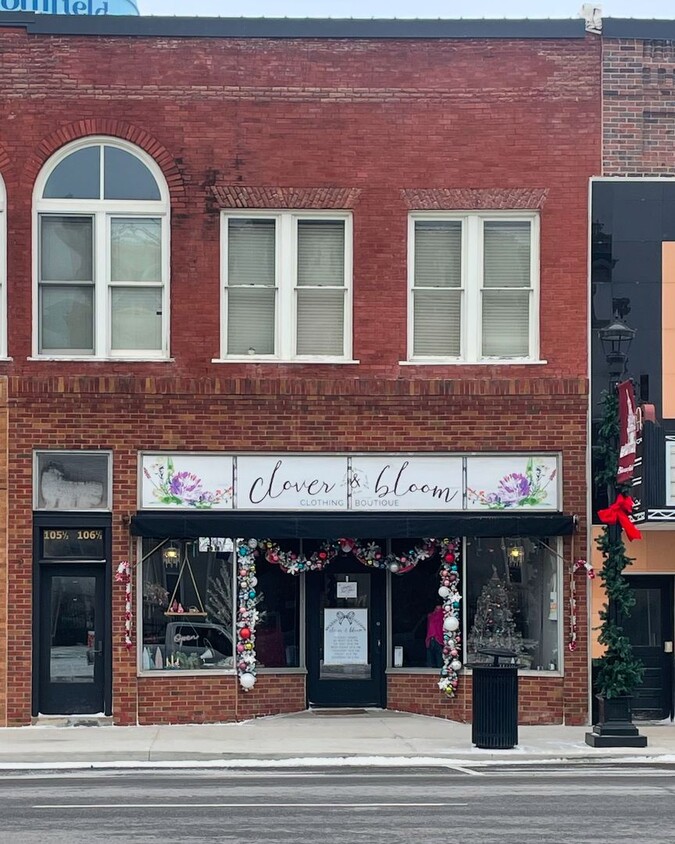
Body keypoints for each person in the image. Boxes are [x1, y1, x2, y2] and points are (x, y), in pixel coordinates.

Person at [425, 602, 444, 668]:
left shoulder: (442, 616)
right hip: (431, 638)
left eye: (439, 609)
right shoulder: (431, 616)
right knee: (431, 657)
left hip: (439, 639)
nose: (437, 611)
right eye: (436, 609)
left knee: (439, 656)